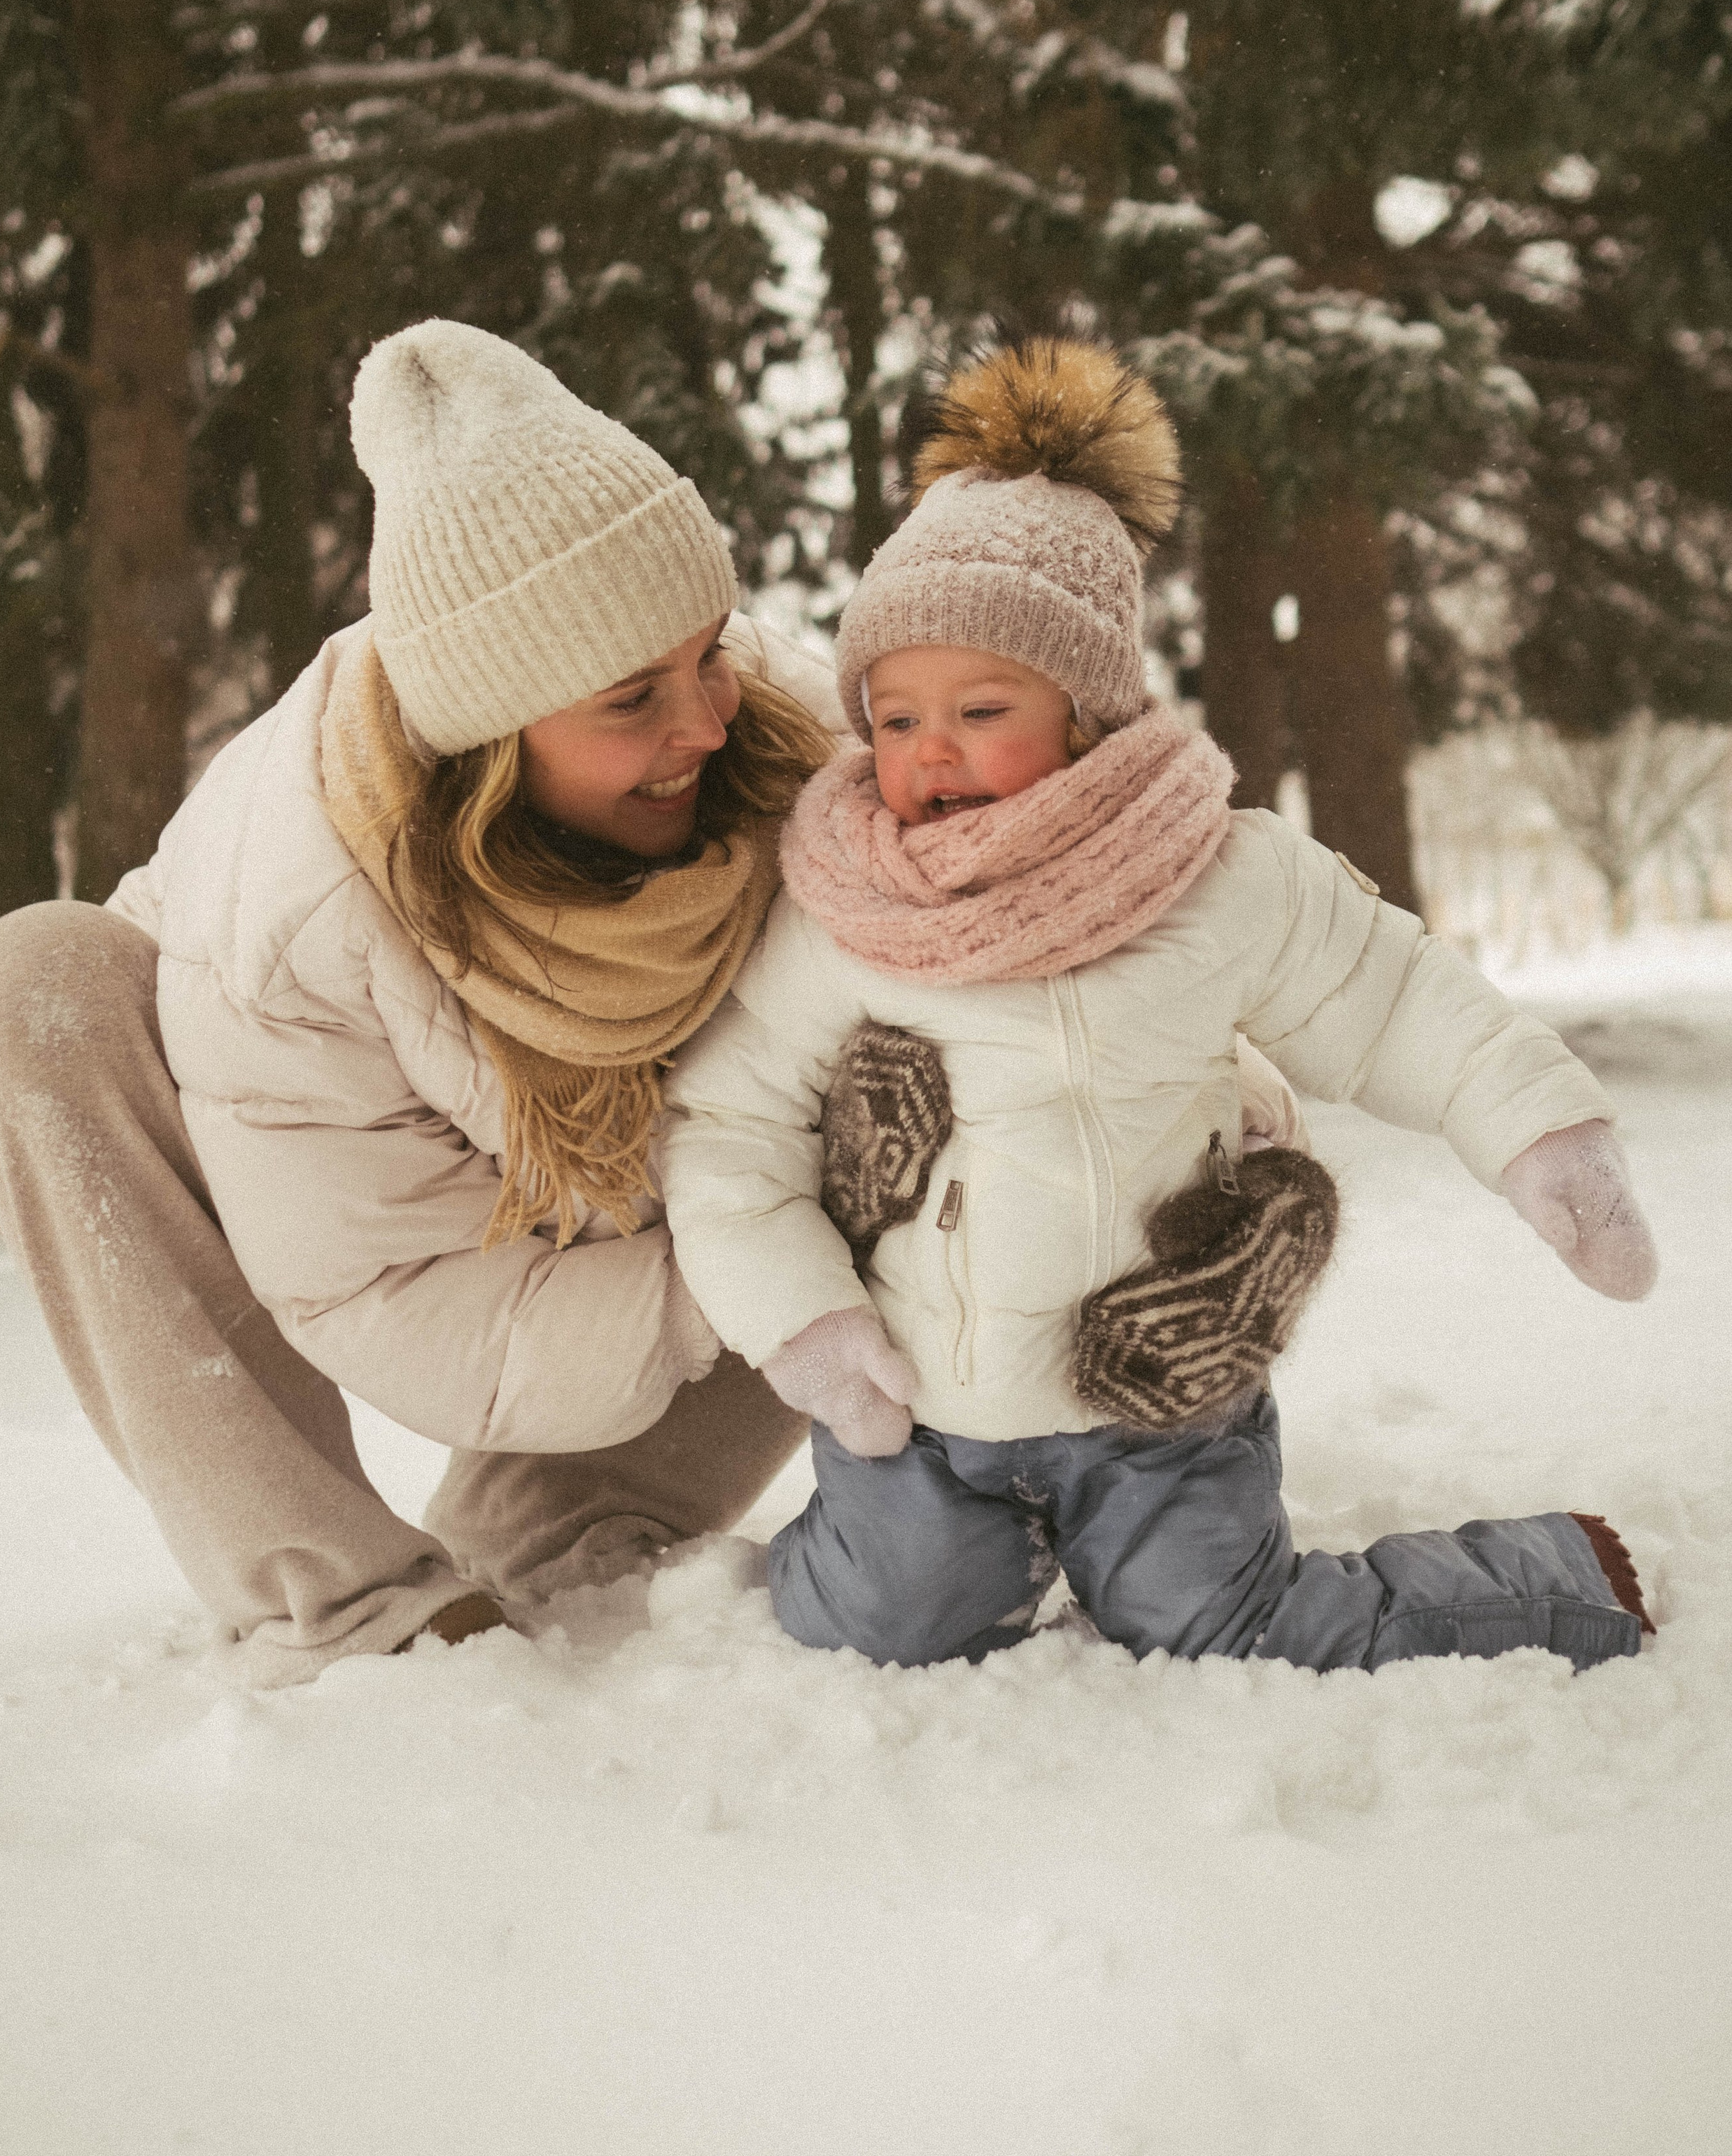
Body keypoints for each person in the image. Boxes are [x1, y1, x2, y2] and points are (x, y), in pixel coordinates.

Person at [657, 334, 1661, 1672]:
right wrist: (807, 1324)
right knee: (883, 1620)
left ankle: (1551, 1575)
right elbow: (728, 1130)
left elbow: (1390, 999)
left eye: (980, 710)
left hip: (1158, 1398)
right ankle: (905, 1564)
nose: (929, 750)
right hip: (926, 1402)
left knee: (1217, 1623)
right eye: (893, 720)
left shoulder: (1215, 876)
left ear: (1085, 714)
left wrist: (1543, 1135)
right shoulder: (844, 913)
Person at [0, 320, 842, 1685]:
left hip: (665, 1222)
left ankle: (580, 1520)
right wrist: (746, 1280)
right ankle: (348, 1603)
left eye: (709, 651)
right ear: (492, 734)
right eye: (632, 700)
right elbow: (385, 1289)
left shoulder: (794, 737)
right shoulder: (294, 912)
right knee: (37, 986)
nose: (707, 723)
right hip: (343, 1194)